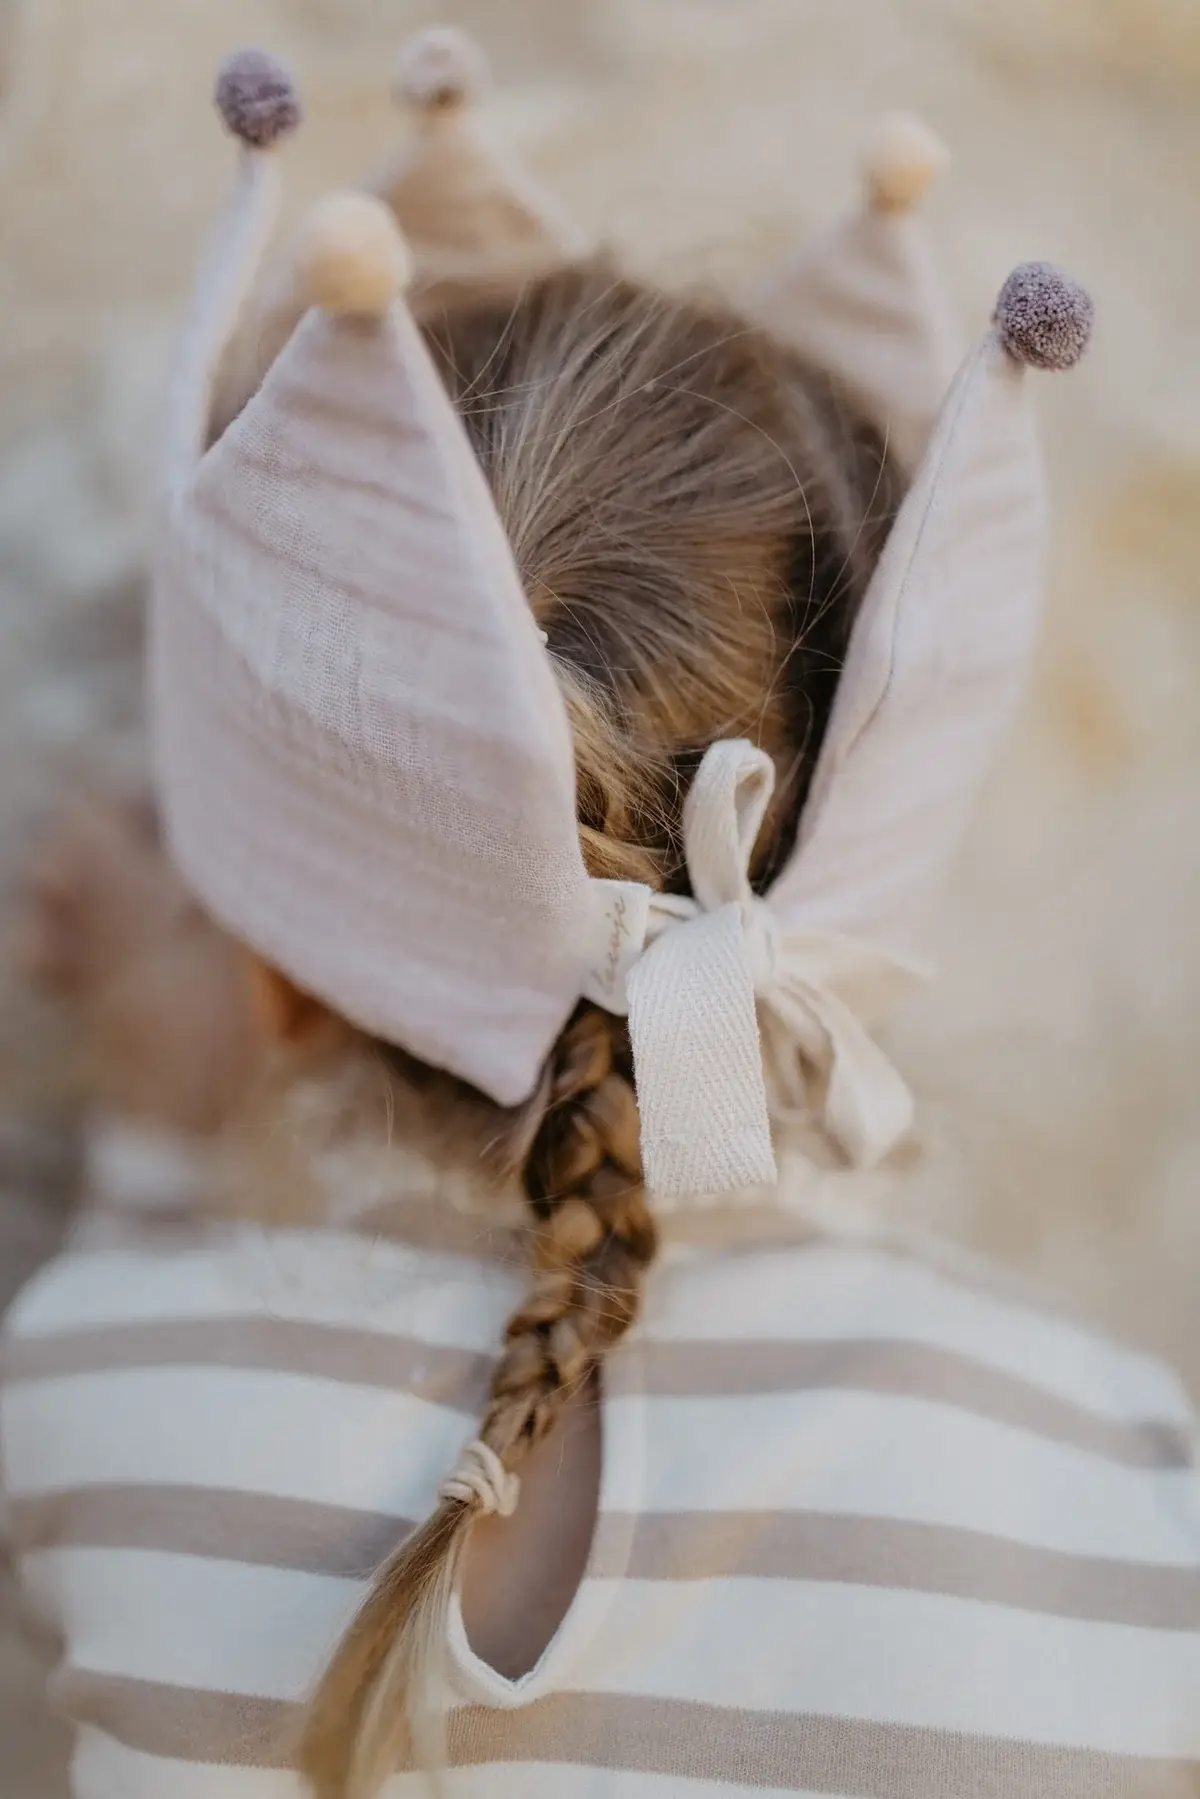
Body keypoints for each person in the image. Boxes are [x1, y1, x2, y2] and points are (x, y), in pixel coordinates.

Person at [3, 29, 1196, 1799]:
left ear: (265, 968)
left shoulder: (94, 1388)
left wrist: (153, 1117)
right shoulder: (1119, 1481)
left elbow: (126, 1334)